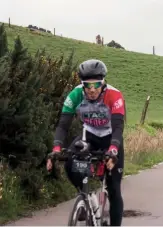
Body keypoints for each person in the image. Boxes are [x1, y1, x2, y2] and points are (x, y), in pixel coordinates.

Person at [46, 59, 125, 226]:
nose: (92, 90)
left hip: (111, 138)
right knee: (69, 163)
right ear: (82, 85)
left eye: (96, 85)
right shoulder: (75, 95)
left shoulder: (114, 95)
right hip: (88, 136)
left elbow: (118, 127)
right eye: (87, 85)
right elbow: (63, 125)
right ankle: (84, 197)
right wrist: (57, 148)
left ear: (103, 83)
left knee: (114, 189)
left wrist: (113, 150)